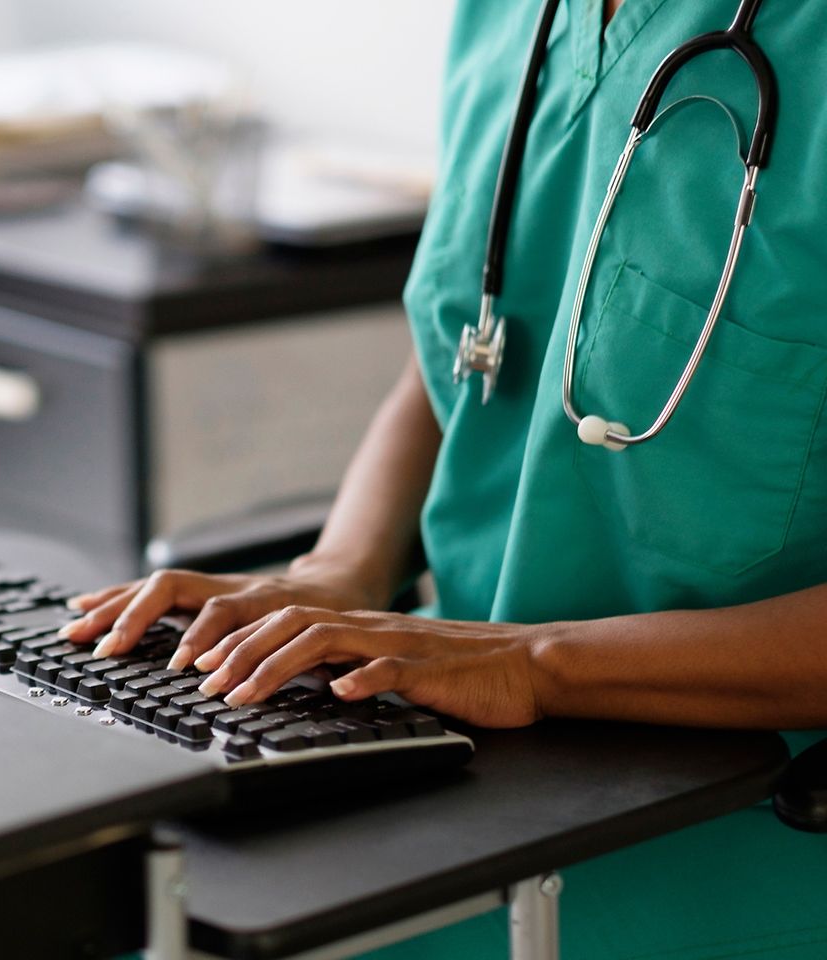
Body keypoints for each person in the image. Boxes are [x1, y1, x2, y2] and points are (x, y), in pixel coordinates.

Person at [66, 1, 827, 957]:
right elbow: (476, 342)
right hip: (448, 755)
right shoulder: (511, 20)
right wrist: (340, 567)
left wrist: (535, 663)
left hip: (721, 830)